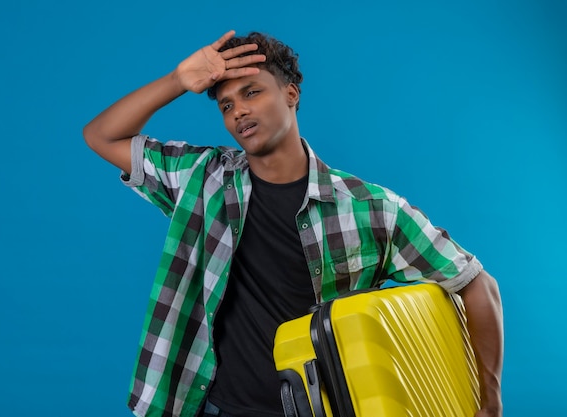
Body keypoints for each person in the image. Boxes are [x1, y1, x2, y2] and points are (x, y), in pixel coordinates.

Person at [83, 30, 503, 417]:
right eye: (227, 105)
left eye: (252, 92)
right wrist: (177, 79)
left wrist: (489, 400)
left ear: (290, 93)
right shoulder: (203, 178)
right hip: (219, 407)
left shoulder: (371, 208)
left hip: (329, 408)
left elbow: (476, 283)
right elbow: (102, 135)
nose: (239, 111)